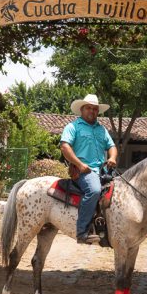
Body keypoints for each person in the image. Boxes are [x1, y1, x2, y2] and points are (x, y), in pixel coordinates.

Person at [59, 94, 118, 244]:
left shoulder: (102, 130)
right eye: (88, 108)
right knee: (94, 190)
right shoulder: (73, 127)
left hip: (102, 170)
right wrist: (79, 164)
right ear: (82, 109)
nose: (92, 111)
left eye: (95, 109)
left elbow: (112, 146)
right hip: (83, 171)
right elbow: (65, 147)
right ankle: (82, 232)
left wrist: (112, 158)